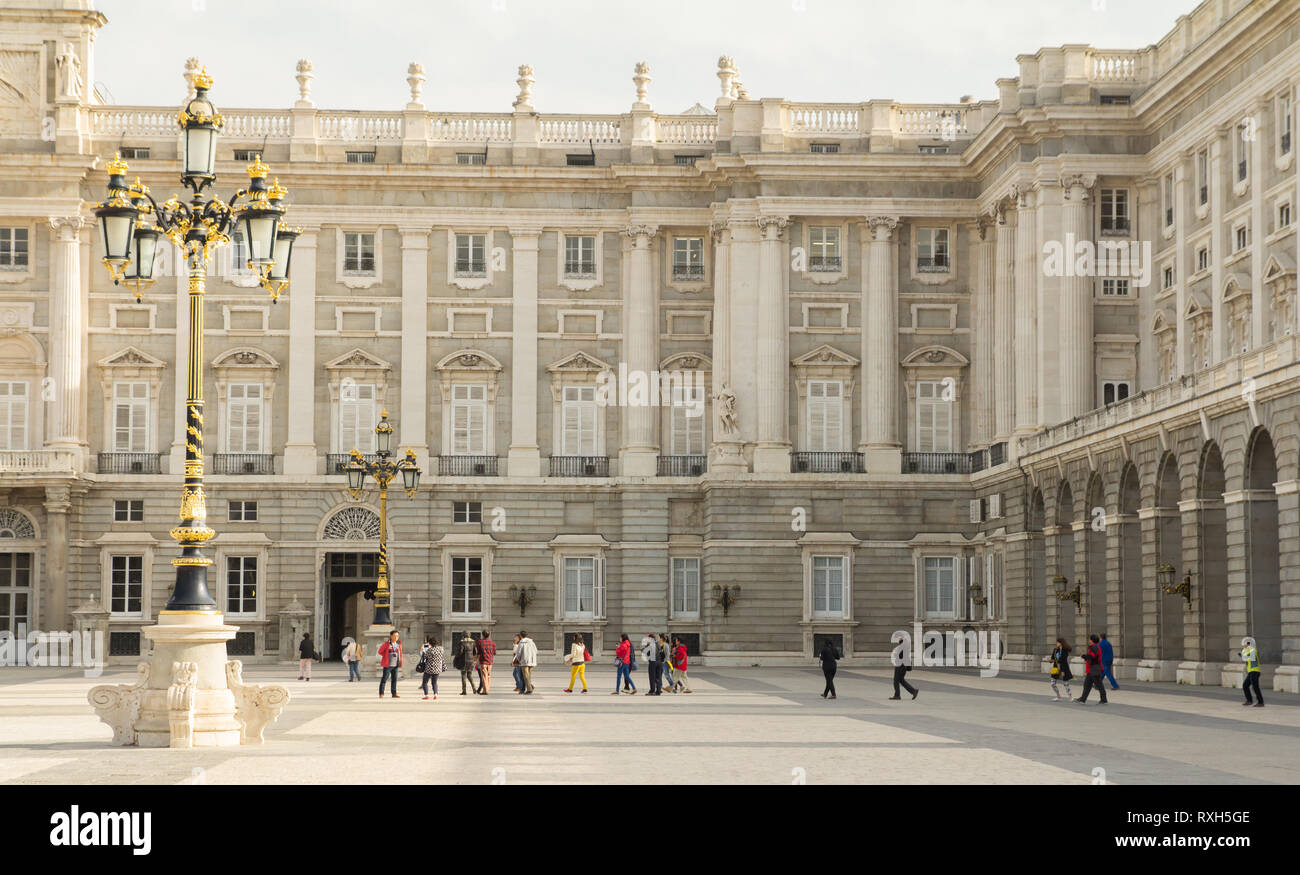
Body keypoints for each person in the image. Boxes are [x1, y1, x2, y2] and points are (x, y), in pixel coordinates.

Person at [1076, 634, 1108, 704]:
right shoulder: (1095, 647)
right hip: (1092, 669)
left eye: (1090, 639)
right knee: (1087, 685)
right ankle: (1083, 699)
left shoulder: (1094, 647)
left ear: (1092, 640)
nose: (1089, 641)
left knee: (1098, 685)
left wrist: (1084, 656)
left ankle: (1103, 699)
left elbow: (1092, 656)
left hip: (1094, 669)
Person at [1241, 636, 1264, 707]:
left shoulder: (1253, 650)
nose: (1244, 645)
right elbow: (1244, 657)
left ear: (1249, 644)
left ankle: (1260, 702)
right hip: (1251, 672)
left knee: (1255, 687)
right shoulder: (1247, 650)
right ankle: (1249, 700)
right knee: (1245, 685)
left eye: (1246, 644)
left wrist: (1243, 656)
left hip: (1255, 671)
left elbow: (1251, 658)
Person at [378, 629, 402, 699]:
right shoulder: (386, 644)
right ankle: (381, 693)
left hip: (395, 665)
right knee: (384, 679)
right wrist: (386, 656)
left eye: (397, 636)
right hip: (388, 665)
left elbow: (399, 654)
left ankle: (394, 693)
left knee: (394, 680)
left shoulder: (398, 644)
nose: (396, 637)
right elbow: (380, 651)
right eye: (394, 636)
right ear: (391, 636)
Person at [420, 636, 445, 700]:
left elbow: (425, 657)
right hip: (437, 669)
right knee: (434, 682)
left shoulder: (429, 650)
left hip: (429, 668)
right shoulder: (441, 649)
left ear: (430, 643)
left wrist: (423, 651)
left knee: (425, 682)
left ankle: (426, 695)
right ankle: (435, 695)